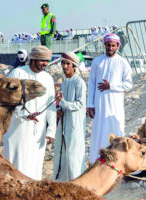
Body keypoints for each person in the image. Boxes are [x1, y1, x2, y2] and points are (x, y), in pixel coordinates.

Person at [3, 46, 57, 180]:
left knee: (34, 165)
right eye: (42, 60)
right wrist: (25, 115)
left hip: (38, 130)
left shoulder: (47, 78)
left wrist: (51, 131)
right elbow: (8, 100)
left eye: (47, 61)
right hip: (18, 128)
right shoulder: (17, 73)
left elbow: (51, 106)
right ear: (33, 59)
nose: (45, 63)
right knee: (16, 165)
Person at [87, 33, 133, 163]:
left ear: (117, 46)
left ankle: (116, 161)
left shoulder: (122, 62)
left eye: (113, 45)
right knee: (98, 131)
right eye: (108, 45)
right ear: (105, 45)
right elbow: (91, 83)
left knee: (115, 131)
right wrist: (90, 104)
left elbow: (128, 83)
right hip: (99, 105)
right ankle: (96, 161)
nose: (110, 48)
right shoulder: (97, 61)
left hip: (115, 107)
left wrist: (111, 86)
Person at [52, 52, 87, 181]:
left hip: (74, 125)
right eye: (63, 63)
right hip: (63, 124)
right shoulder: (65, 83)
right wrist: (59, 109)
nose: (65, 66)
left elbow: (79, 104)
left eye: (68, 64)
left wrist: (62, 103)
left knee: (74, 157)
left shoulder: (79, 83)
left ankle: (77, 184)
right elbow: (62, 103)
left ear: (74, 66)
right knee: (62, 155)